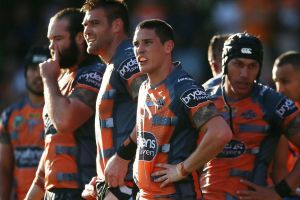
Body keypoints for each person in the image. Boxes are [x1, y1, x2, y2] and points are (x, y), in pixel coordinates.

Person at [113, 19, 232, 199]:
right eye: (136, 44)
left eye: (148, 42)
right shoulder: (145, 87)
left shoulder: (184, 88)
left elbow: (220, 133)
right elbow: (143, 128)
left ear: (168, 47)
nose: (139, 50)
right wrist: (121, 156)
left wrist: (182, 169)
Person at [201, 32, 300, 200]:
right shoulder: (202, 98)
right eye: (238, 64)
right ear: (224, 64)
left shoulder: (274, 103)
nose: (245, 74)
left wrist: (279, 192)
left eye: (252, 66)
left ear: (259, 69)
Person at [25, 8, 106, 200]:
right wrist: (36, 189)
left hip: (83, 190)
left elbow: (64, 122)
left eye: (58, 38)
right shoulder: (59, 79)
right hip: (53, 191)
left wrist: (48, 79)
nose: (51, 47)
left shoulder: (95, 73)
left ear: (79, 38)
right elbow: (52, 143)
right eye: (49, 39)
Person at [81, 0, 146, 199]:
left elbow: (154, 108)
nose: (87, 31)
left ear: (116, 25)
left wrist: (122, 157)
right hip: (117, 185)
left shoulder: (127, 59)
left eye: (94, 23)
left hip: (129, 185)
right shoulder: (115, 63)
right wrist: (102, 180)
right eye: (85, 25)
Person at [0, 46, 50, 200]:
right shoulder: (9, 116)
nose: (38, 75)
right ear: (25, 73)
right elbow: (4, 168)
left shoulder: (62, 113)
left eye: (43, 69)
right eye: (33, 69)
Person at [272, 51, 300, 199]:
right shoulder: (283, 113)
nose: (279, 89)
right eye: (276, 82)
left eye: (285, 81)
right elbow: (280, 168)